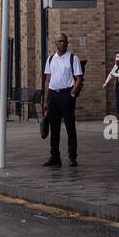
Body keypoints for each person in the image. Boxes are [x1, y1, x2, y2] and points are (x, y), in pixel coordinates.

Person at [41, 33, 83, 167]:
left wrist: (72, 93)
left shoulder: (73, 58)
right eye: (60, 41)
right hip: (54, 95)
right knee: (54, 127)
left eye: (65, 41)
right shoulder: (50, 59)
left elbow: (79, 78)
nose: (63, 43)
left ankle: (72, 156)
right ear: (56, 43)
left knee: (70, 126)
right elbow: (48, 80)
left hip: (67, 94)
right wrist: (45, 101)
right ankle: (54, 156)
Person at [102, 50, 119, 124]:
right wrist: (106, 82)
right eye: (116, 57)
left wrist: (114, 74)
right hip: (118, 85)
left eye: (118, 56)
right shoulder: (116, 65)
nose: (117, 58)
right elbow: (111, 74)